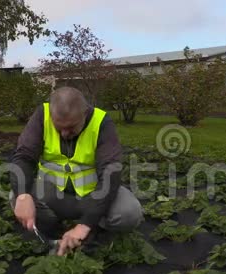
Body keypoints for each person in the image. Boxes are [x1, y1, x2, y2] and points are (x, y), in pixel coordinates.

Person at [9, 86, 144, 256]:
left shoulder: (101, 122)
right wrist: (22, 194)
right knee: (16, 198)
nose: (65, 134)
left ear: (85, 113)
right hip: (54, 195)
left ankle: (93, 231)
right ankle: (55, 234)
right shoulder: (42, 115)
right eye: (59, 128)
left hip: (92, 196)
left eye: (71, 127)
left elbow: (111, 171)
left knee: (129, 213)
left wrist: (85, 224)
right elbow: (24, 157)